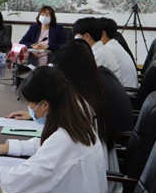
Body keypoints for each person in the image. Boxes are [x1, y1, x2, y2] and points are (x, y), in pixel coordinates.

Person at [51, 40, 119, 176]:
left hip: (91, 176)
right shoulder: (93, 91)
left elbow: (56, 151)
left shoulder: (81, 107)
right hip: (97, 172)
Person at [71, 17, 123, 83]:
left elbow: (85, 78)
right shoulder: (99, 49)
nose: (75, 37)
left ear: (87, 36)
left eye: (77, 35)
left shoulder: (99, 54)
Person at [99, 17, 138, 88]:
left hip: (126, 91)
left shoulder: (108, 49)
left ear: (103, 34)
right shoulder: (114, 44)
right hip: (127, 88)